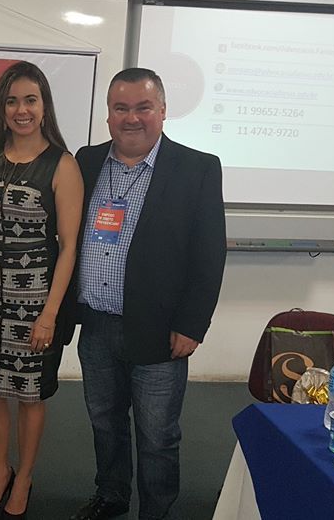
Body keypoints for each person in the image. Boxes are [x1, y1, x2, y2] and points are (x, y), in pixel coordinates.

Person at [69, 68, 227, 520]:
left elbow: (209, 255)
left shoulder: (197, 168)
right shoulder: (87, 161)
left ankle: (155, 512)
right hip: (96, 325)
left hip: (160, 331)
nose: (132, 118)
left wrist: (192, 325)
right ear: (108, 115)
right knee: (105, 423)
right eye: (121, 108)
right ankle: (111, 495)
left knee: (158, 435)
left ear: (162, 111)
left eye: (143, 107)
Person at [0, 61, 84, 519]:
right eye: (12, 101)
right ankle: (0, 470)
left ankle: (24, 477)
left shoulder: (62, 165)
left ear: (45, 106)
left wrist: (50, 315)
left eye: (30, 100)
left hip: (36, 302)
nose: (21, 110)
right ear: (1, 108)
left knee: (30, 396)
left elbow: (69, 247)